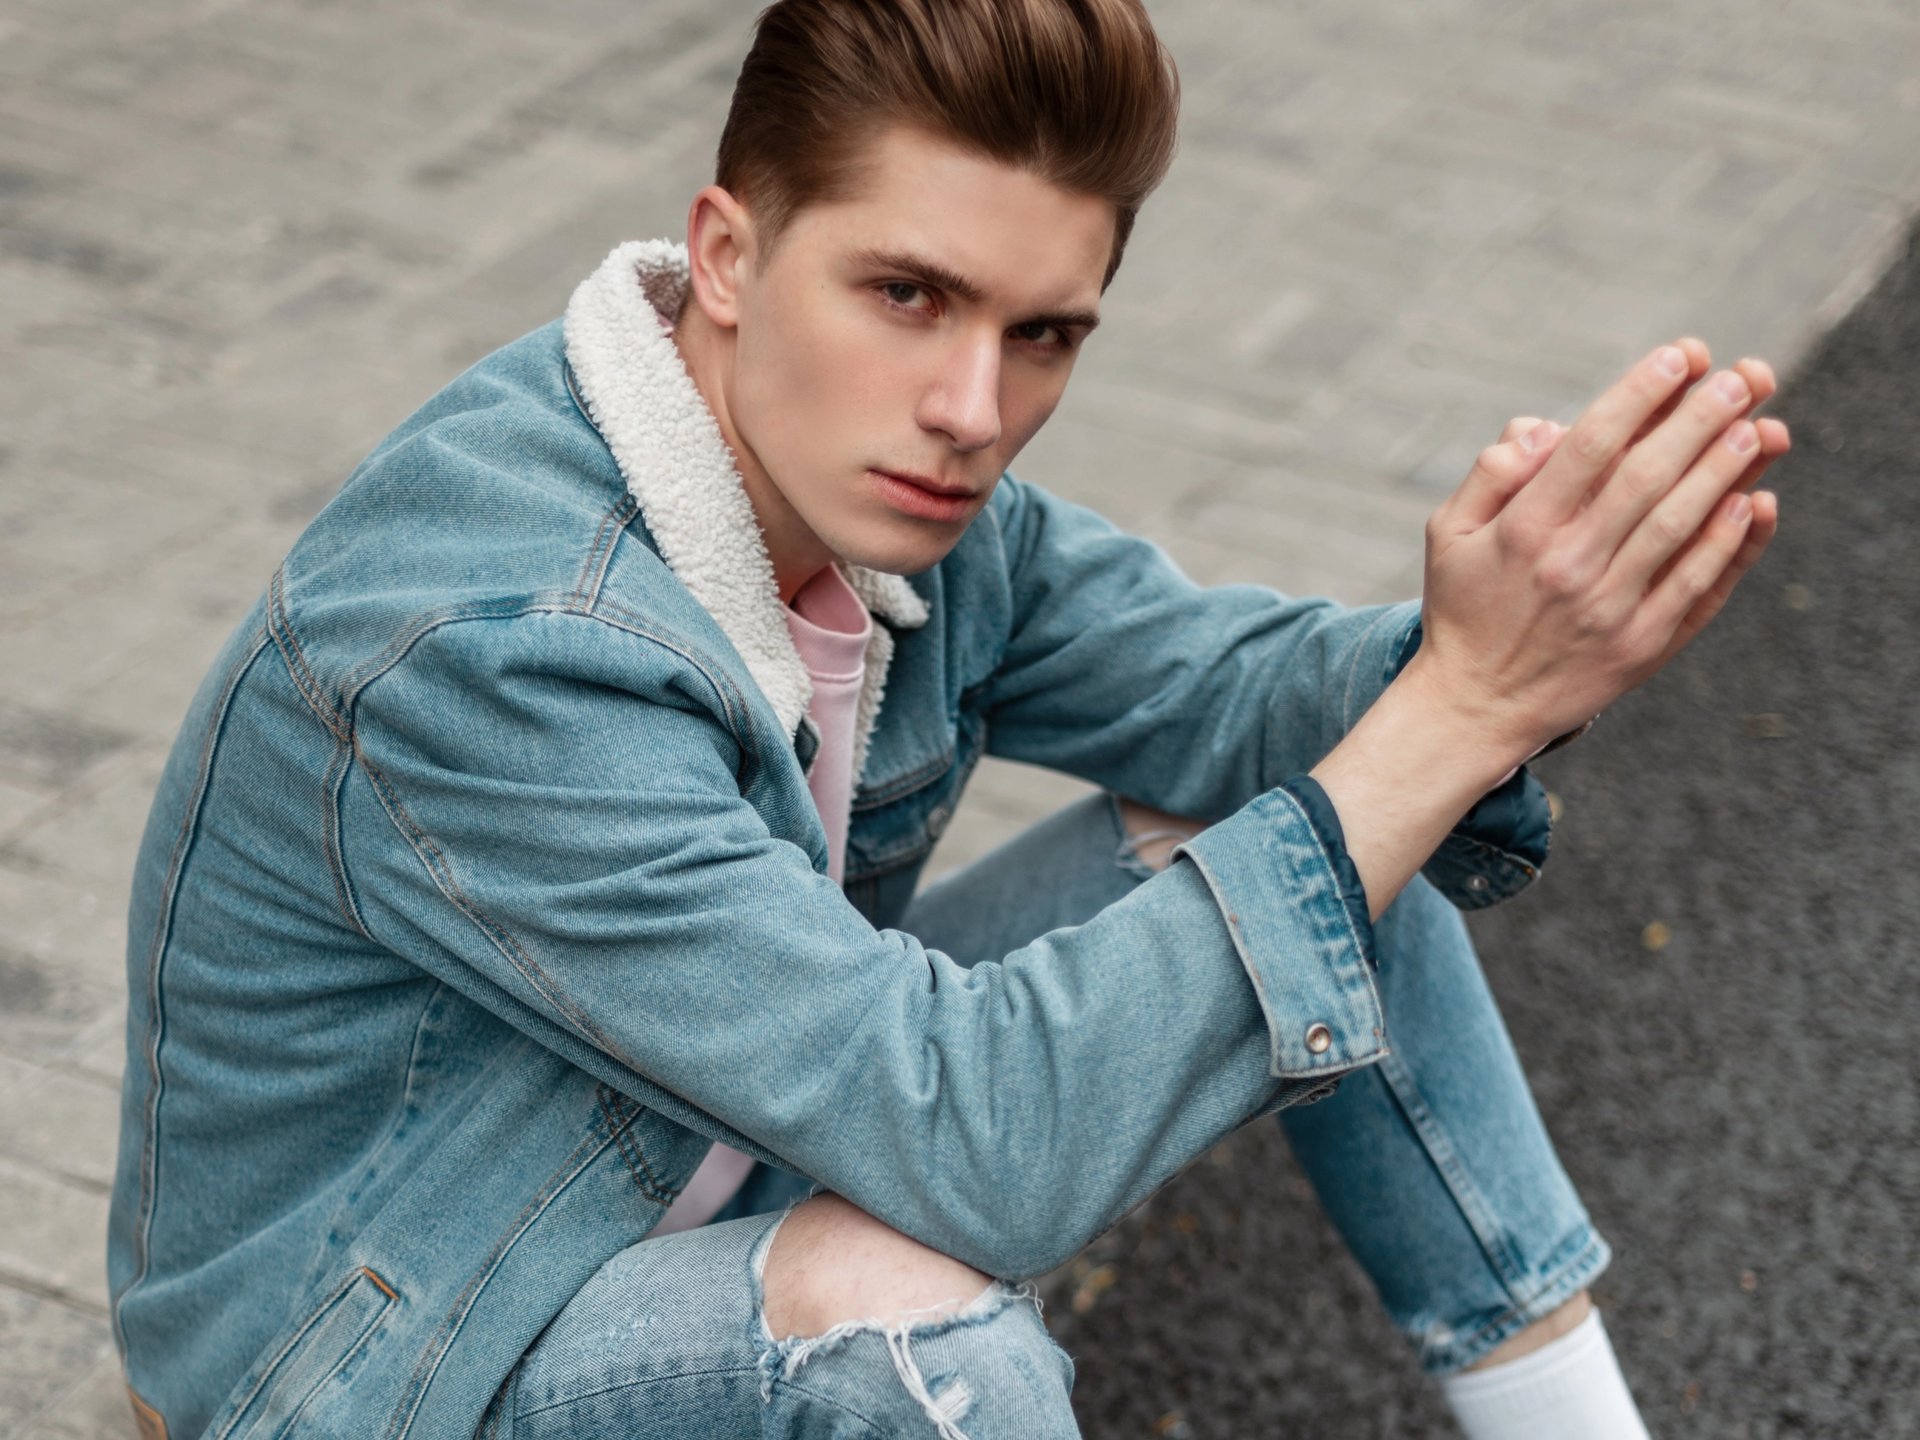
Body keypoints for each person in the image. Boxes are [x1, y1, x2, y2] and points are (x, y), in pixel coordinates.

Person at [105, 1, 1791, 1436]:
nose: (974, 411)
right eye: (908, 295)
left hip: (716, 1153)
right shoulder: (497, 646)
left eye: (1042, 333)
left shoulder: (893, 503)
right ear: (728, 255)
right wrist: (1464, 705)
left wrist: (1505, 630)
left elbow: (1232, 698)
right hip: (402, 1342)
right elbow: (985, 1147)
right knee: (916, 1338)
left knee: (1337, 820)